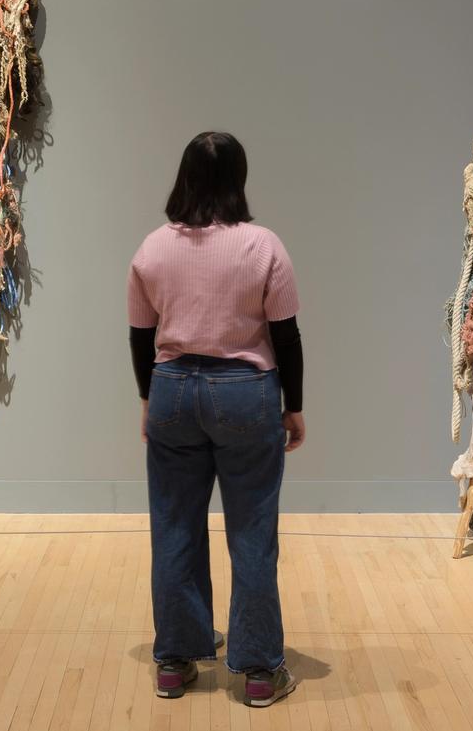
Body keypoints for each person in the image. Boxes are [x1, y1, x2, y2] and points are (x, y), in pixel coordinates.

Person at [127, 131, 305, 707]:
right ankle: (257, 671)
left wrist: (149, 400)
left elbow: (140, 336)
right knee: (252, 530)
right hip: (246, 395)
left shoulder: (153, 247)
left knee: (174, 524)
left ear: (184, 177)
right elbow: (286, 336)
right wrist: (294, 407)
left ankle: (176, 662)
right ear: (238, 180)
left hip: (174, 388)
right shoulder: (263, 246)